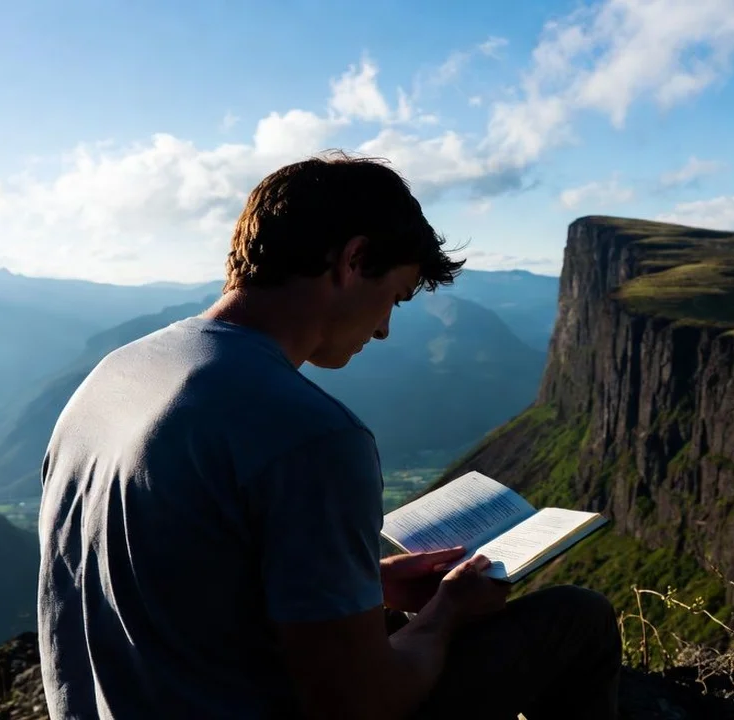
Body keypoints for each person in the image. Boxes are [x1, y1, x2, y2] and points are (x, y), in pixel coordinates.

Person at [36, 151, 622, 720]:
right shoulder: (311, 435)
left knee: (378, 621)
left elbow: (178, 580)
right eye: (393, 298)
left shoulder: (112, 377)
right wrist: (447, 612)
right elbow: (362, 707)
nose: (385, 328)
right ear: (353, 260)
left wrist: (371, 584)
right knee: (576, 617)